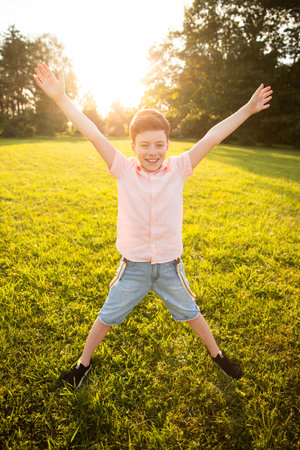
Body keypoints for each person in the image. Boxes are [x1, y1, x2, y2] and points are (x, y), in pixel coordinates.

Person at [34, 63, 272, 389]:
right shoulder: (122, 168)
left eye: (159, 144)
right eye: (144, 145)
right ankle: (83, 363)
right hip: (133, 268)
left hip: (169, 267)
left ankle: (217, 355)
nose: (153, 152)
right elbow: (92, 132)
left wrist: (247, 109)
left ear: (167, 145)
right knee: (106, 316)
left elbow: (212, 136)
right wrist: (61, 98)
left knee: (191, 312)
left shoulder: (180, 168)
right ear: (133, 147)